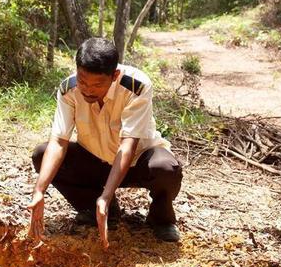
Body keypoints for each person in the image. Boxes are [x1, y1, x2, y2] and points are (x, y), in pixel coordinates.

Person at [28, 38, 183, 248]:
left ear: (115, 76)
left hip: (137, 163)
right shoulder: (68, 89)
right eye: (83, 81)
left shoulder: (136, 86)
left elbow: (127, 146)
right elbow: (58, 141)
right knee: (41, 154)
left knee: (166, 168)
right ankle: (95, 209)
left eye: (98, 84)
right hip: (95, 161)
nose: (88, 90)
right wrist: (39, 190)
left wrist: (107, 195)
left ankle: (160, 218)